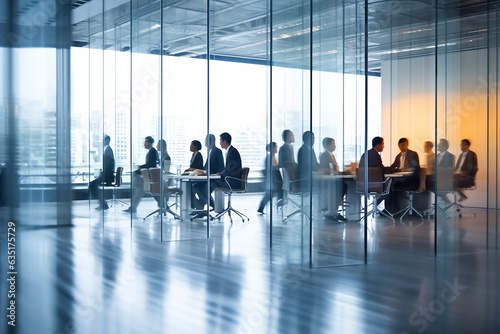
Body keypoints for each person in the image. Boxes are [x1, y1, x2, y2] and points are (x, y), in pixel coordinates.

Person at [193, 132, 242, 217]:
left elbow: (232, 170)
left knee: (209, 186)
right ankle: (201, 208)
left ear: (225, 141)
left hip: (232, 181)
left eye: (221, 141)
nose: (219, 143)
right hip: (228, 179)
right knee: (201, 186)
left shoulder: (232, 152)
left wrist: (220, 174)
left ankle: (202, 208)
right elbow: (229, 169)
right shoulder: (230, 151)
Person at [123, 136, 158, 213]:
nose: (144, 144)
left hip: (149, 177)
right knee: (139, 190)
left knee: (139, 190)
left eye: (145, 142)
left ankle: (133, 207)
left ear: (150, 143)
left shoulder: (152, 152)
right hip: (148, 176)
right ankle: (133, 207)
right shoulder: (151, 151)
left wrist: (139, 168)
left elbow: (150, 165)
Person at [192, 134, 224, 210]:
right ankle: (207, 205)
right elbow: (206, 167)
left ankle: (201, 207)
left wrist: (203, 172)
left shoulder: (216, 151)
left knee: (202, 189)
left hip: (216, 180)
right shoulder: (212, 152)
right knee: (196, 186)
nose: (205, 142)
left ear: (211, 141)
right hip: (211, 178)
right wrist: (200, 171)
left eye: (206, 140)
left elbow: (214, 168)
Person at [319, 137, 347, 221]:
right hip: (328, 181)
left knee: (344, 185)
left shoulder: (332, 155)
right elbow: (326, 169)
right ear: (328, 145)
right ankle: (332, 211)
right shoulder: (324, 155)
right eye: (333, 144)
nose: (335, 146)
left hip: (334, 178)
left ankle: (333, 210)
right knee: (342, 186)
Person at [89, 135, 115, 210]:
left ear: (107, 141)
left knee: (92, 185)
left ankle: (103, 204)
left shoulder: (108, 150)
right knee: (93, 185)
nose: (102, 142)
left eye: (103, 140)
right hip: (106, 175)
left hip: (107, 176)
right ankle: (103, 204)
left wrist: (102, 175)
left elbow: (108, 166)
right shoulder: (107, 150)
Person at [258, 142, 283, 214]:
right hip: (272, 180)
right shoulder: (269, 157)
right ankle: (261, 208)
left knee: (270, 195)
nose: (276, 148)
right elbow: (272, 170)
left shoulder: (273, 157)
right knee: (269, 195)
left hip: (273, 180)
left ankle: (261, 208)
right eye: (275, 147)